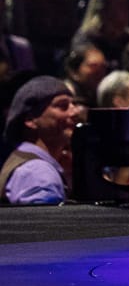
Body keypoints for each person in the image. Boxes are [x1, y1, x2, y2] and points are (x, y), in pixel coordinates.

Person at [2, 77, 86, 205]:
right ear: (31, 120)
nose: (75, 112)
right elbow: (43, 225)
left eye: (73, 104)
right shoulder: (38, 173)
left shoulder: (27, 160)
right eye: (63, 106)